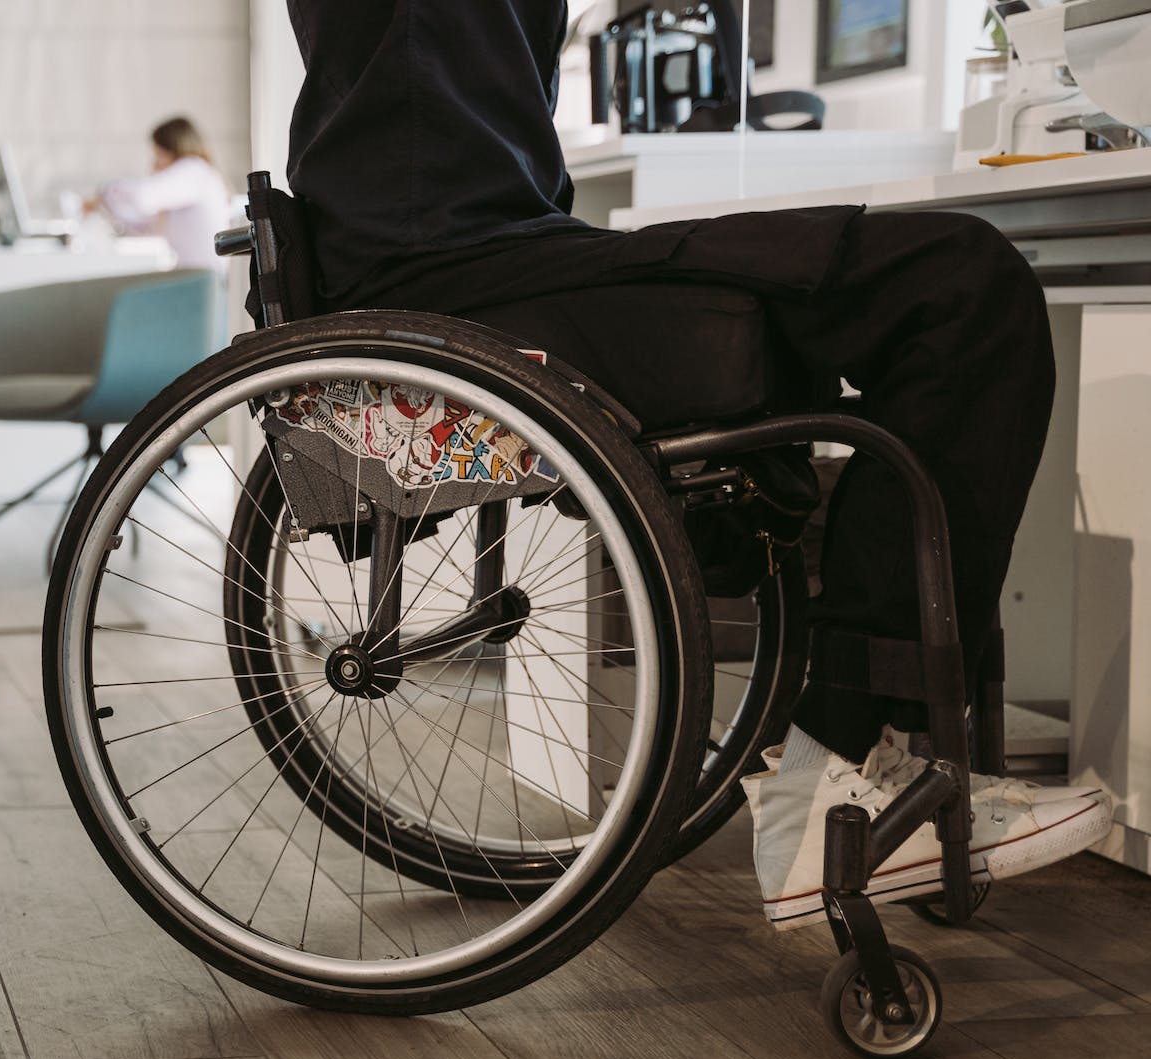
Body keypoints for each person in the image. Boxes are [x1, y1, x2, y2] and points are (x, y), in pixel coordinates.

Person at [283, 0, 1111, 928]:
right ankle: (838, 772)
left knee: (954, 280)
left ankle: (857, 760)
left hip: (460, 251)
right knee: (964, 287)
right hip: (459, 266)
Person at [89, 115, 230, 270]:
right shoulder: (192, 182)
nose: (154, 164)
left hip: (205, 280)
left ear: (173, 150)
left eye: (158, 155)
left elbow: (143, 198)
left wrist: (105, 191)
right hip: (195, 276)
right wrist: (106, 205)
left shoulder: (193, 170)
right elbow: (146, 226)